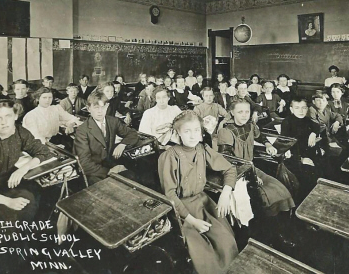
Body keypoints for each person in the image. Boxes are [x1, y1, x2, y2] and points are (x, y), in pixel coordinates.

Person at [158, 111, 238, 274]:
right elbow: (170, 195)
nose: (193, 135)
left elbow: (230, 168)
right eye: (187, 131)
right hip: (180, 211)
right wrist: (192, 221)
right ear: (178, 133)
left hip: (203, 203)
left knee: (226, 241)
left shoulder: (203, 150)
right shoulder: (169, 156)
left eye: (196, 130)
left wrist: (226, 192)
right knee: (203, 253)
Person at [217, 99, 295, 244]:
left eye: (247, 111)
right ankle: (267, 236)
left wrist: (267, 144)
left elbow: (261, 136)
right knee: (264, 197)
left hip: (251, 168)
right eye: (240, 112)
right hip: (236, 174)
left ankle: (279, 232)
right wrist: (249, 174)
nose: (244, 115)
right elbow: (226, 159)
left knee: (281, 188)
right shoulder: (225, 131)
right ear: (232, 112)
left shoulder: (251, 125)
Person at [0, 100, 53, 272]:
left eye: (8, 116)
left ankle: (20, 252)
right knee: (1, 223)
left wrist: (23, 169)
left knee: (31, 199)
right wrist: (5, 201)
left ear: (15, 116)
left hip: (6, 182)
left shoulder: (19, 132)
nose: (4, 122)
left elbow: (43, 152)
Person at [73, 91, 140, 184]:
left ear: (107, 106)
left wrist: (123, 144)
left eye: (103, 107)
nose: (100, 111)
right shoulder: (82, 130)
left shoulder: (113, 121)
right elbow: (84, 164)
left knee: (132, 178)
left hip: (109, 163)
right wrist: (109, 171)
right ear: (89, 109)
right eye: (96, 108)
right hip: (94, 171)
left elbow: (133, 134)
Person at [281, 97, 323, 199]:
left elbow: (317, 126)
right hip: (295, 158)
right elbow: (288, 145)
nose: (301, 111)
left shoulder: (306, 120)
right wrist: (301, 159)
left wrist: (313, 133)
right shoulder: (287, 122)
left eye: (304, 108)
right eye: (297, 108)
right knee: (309, 176)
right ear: (291, 109)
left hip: (308, 154)